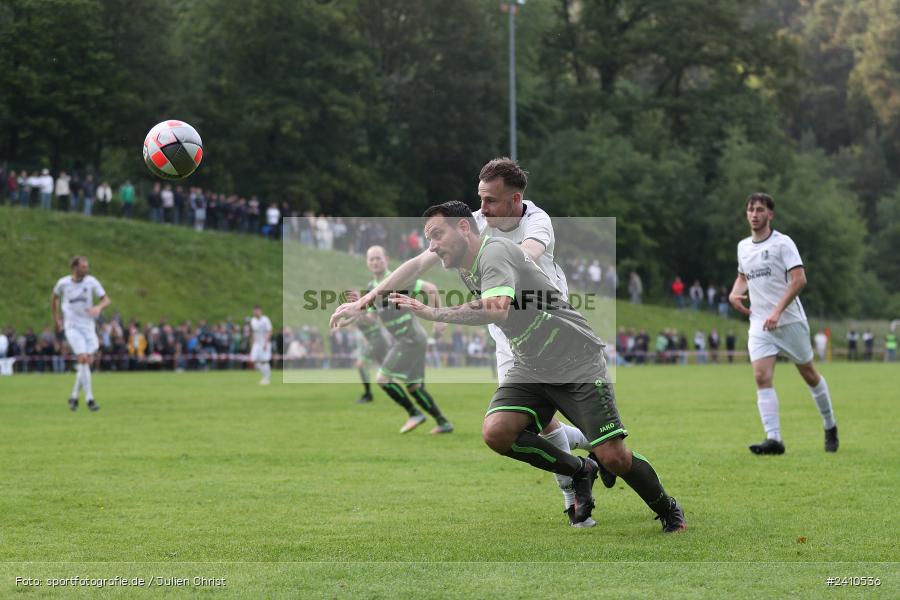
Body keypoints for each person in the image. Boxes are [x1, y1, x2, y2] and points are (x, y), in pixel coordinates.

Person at [389, 201, 686, 532]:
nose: (432, 245)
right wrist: (362, 302)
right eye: (428, 238)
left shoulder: (494, 252)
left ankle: (667, 507)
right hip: (530, 365)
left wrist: (435, 313)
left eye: (436, 234)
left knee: (614, 457)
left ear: (462, 228)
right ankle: (579, 470)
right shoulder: (465, 266)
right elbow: (424, 268)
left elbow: (497, 309)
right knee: (497, 432)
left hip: (576, 361)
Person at [331, 158, 595, 527]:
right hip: (508, 332)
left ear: (514, 199)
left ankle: (582, 475)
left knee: (541, 421)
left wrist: (482, 265)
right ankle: (579, 475)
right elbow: (416, 264)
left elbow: (524, 259)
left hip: (552, 327)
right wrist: (363, 301)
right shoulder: (473, 221)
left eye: (490, 201)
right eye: (479, 200)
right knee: (535, 423)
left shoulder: (538, 222)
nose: (482, 210)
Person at [728, 193, 838, 455]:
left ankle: (830, 425)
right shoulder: (743, 247)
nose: (754, 214)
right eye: (750, 210)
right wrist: (734, 293)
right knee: (761, 376)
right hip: (760, 324)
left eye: (760, 210)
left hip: (789, 321)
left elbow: (799, 280)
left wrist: (777, 311)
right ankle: (774, 439)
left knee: (809, 374)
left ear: (770, 215)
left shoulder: (783, 243)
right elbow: (744, 276)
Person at [361, 245, 453, 434]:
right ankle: (443, 423)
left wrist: (439, 318)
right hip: (410, 339)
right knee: (413, 386)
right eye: (371, 259)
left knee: (383, 379)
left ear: (386, 258)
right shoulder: (371, 289)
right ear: (367, 264)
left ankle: (414, 413)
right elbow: (371, 318)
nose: (375, 262)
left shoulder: (399, 279)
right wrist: (354, 316)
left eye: (378, 258)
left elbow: (431, 289)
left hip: (410, 338)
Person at [51, 256, 111, 411]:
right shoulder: (63, 283)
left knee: (85, 362)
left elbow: (106, 300)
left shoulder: (91, 281)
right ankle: (90, 399)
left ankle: (74, 396)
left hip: (88, 327)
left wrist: (98, 308)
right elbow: (54, 298)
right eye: (83, 267)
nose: (86, 269)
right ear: (75, 268)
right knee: (83, 358)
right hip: (72, 326)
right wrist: (56, 319)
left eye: (87, 266)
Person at [249, 306, 273, 385]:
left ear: (260, 311)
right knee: (253, 361)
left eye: (257, 311)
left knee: (264, 361)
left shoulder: (265, 319)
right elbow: (253, 332)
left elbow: (270, 331)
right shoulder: (253, 320)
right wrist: (253, 343)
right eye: (254, 311)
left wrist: (266, 343)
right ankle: (265, 376)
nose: (255, 313)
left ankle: (266, 378)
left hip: (264, 343)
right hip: (257, 344)